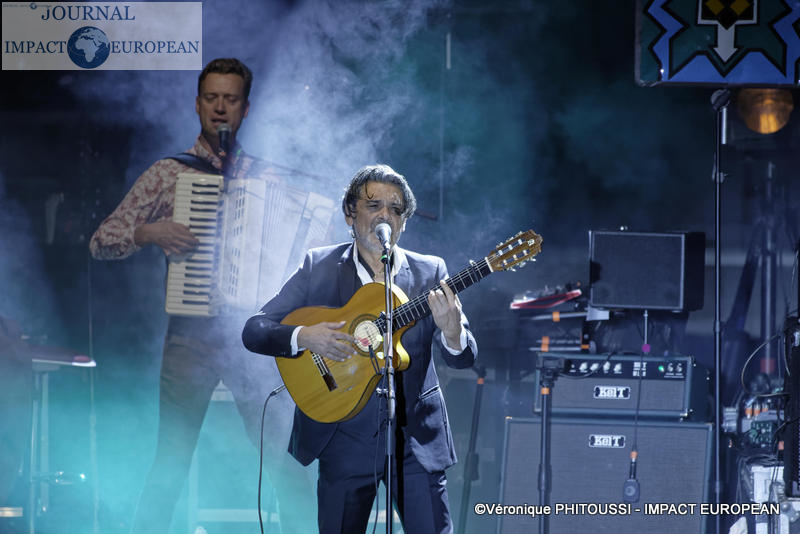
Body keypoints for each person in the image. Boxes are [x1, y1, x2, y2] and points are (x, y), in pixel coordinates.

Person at [89, 58, 313, 533]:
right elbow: (101, 240)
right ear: (197, 104)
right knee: (171, 458)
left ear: (245, 109)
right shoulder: (169, 173)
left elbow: (300, 251)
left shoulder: (270, 179)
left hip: (251, 337)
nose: (220, 107)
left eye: (230, 99)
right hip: (190, 336)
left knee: (282, 455)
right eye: (211, 98)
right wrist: (149, 231)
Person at [242, 164, 478, 534]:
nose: (385, 215)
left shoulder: (430, 272)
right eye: (373, 205)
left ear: (403, 223)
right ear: (350, 214)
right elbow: (254, 329)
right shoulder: (318, 266)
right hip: (342, 439)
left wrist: (451, 330)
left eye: (395, 209)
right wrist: (304, 336)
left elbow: (464, 356)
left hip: (414, 443)